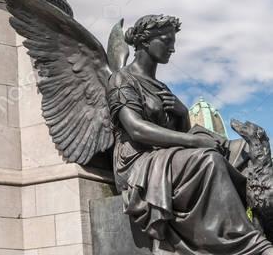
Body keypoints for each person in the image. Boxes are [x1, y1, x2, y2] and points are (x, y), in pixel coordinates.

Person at [107, 15, 273, 255]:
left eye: (173, 42)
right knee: (209, 159)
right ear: (144, 42)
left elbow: (177, 133)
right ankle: (246, 244)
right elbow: (136, 129)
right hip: (138, 163)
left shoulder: (162, 87)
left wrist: (183, 113)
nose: (173, 48)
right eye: (166, 41)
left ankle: (258, 228)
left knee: (240, 151)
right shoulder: (121, 79)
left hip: (166, 157)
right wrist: (194, 140)